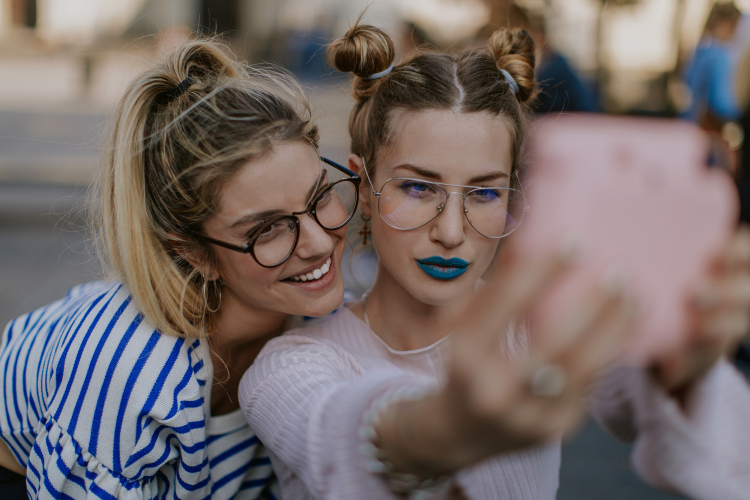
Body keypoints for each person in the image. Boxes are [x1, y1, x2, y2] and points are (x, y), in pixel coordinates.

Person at [239, 22, 750, 500]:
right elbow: (339, 431)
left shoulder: (542, 327)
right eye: (418, 187)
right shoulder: (289, 366)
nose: (452, 232)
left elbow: (713, 447)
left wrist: (684, 377)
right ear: (364, 186)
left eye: (485, 194)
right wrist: (438, 428)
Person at [0, 37, 361, 499]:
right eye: (268, 228)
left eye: (320, 197)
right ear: (194, 253)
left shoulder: (325, 322)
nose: (317, 243)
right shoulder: (131, 371)